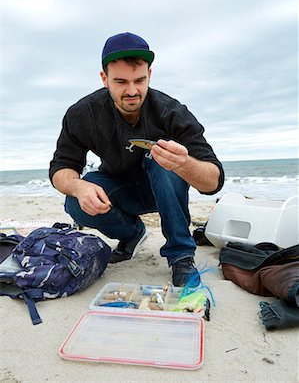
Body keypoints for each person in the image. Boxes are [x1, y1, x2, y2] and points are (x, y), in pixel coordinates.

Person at [49, 32, 225, 287]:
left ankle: (181, 257)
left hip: (164, 189)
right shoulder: (82, 113)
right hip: (118, 188)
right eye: (120, 81)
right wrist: (78, 186)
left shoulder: (172, 112)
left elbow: (214, 182)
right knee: (74, 202)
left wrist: (185, 164)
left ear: (149, 76)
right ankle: (133, 234)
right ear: (104, 79)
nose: (132, 91)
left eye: (139, 80)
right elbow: (60, 166)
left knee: (164, 161)